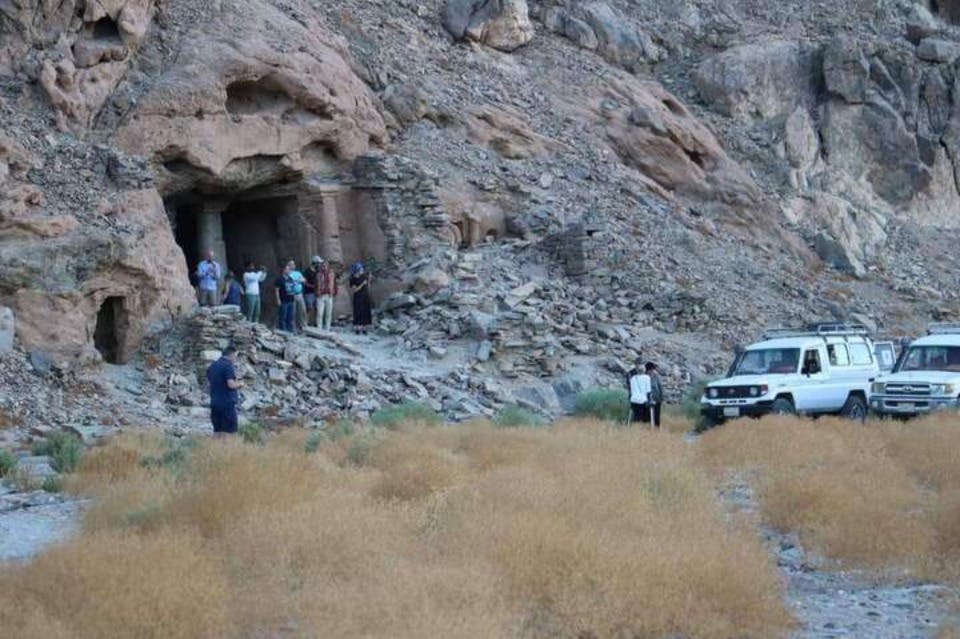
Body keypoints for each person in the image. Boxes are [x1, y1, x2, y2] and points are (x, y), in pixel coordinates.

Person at [206, 345, 243, 437]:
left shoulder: (213, 366)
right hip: (227, 403)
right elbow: (230, 384)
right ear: (232, 355)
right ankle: (228, 450)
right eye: (236, 356)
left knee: (217, 430)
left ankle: (215, 450)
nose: (235, 359)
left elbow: (209, 383)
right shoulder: (228, 366)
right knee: (230, 431)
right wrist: (240, 384)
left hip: (214, 402)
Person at [314, 257, 338, 330]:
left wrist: (335, 292)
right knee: (320, 313)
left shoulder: (332, 274)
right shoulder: (318, 274)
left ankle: (327, 328)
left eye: (325, 265)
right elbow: (315, 284)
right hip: (320, 295)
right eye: (323, 265)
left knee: (328, 313)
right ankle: (319, 328)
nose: (324, 267)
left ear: (328, 266)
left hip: (329, 295)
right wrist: (316, 292)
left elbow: (335, 284)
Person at [349, 261, 373, 334]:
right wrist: (362, 284)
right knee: (358, 312)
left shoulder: (364, 276)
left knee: (365, 311)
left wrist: (369, 280)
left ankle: (364, 328)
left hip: (365, 296)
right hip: (358, 297)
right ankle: (358, 328)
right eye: (361, 269)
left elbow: (368, 286)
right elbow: (355, 290)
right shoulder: (352, 278)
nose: (362, 271)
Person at [274, 261, 297, 333]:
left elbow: (293, 289)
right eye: (287, 269)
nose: (289, 270)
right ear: (284, 270)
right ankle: (283, 331)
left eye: (289, 269)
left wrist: (294, 298)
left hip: (291, 300)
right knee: (283, 316)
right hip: (283, 300)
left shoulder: (291, 279)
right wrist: (278, 299)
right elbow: (276, 290)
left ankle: (290, 330)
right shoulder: (279, 279)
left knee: (290, 317)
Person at [628, 357, 651, 424]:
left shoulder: (632, 378)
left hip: (633, 400)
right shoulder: (647, 378)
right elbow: (648, 391)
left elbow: (631, 390)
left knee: (636, 416)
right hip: (642, 401)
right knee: (645, 416)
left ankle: (635, 426)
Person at [304, 257, 321, 327]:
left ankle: (315, 323)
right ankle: (306, 323)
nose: (319, 265)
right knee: (309, 308)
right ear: (315, 263)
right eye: (318, 263)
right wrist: (312, 286)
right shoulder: (307, 271)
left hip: (316, 292)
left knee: (317, 308)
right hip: (309, 292)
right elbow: (304, 282)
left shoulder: (317, 271)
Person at [646, 362, 663, 429]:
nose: (653, 371)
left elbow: (660, 387)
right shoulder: (645, 377)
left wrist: (661, 397)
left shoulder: (656, 377)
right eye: (652, 369)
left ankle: (657, 429)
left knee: (657, 416)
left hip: (657, 399)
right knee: (648, 417)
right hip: (648, 400)